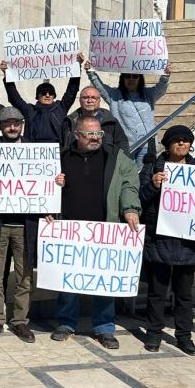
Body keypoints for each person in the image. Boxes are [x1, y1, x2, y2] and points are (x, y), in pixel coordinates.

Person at [49, 116, 141, 349]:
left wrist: (130, 208)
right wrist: (50, 195)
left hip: (104, 229)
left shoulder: (115, 157)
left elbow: (130, 183)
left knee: (103, 282)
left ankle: (104, 327)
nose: (95, 138)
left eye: (98, 134)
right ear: (76, 135)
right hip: (70, 230)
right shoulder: (60, 158)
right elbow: (42, 187)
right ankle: (66, 323)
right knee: (68, 280)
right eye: (89, 134)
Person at [140, 125, 195, 355]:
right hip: (159, 238)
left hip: (188, 240)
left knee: (184, 293)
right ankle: (154, 334)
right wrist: (153, 185)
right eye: (176, 140)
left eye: (185, 140)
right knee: (157, 291)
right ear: (167, 145)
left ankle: (184, 336)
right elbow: (140, 199)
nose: (181, 144)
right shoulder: (152, 167)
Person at [0, 107, 38, 343]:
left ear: (22, 124)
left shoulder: (36, 151)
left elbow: (46, 182)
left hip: (26, 225)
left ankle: (20, 322)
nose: (12, 127)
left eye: (16, 123)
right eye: (7, 124)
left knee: (25, 277)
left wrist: (56, 180)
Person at [82, 55, 171, 168]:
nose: (131, 79)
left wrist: (166, 75)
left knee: (144, 177)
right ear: (122, 79)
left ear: (140, 79)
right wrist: (90, 72)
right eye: (127, 76)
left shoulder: (149, 94)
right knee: (127, 177)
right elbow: (100, 87)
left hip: (146, 146)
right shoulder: (113, 95)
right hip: (124, 146)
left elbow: (161, 87)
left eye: (135, 76)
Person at [0, 60, 80, 145]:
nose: (47, 95)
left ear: (54, 96)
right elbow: (14, 97)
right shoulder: (29, 110)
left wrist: (77, 66)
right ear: (38, 96)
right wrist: (6, 74)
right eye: (44, 93)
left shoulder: (61, 107)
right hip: (34, 150)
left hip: (58, 150)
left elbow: (72, 91)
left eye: (51, 93)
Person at [61, 85, 129, 154]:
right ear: (80, 100)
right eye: (85, 98)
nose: (90, 101)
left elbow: (123, 147)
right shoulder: (69, 122)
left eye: (94, 98)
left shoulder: (111, 122)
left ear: (99, 100)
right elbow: (61, 147)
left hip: (105, 164)